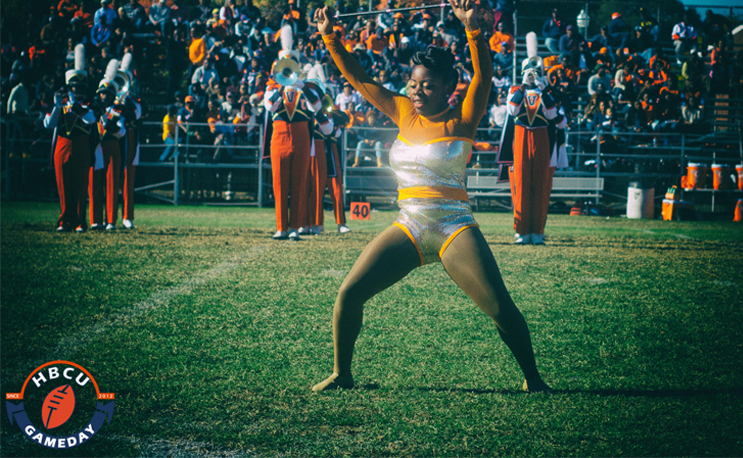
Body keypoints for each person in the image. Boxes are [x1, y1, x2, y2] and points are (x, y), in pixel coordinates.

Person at [311, 0, 551, 393]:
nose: (417, 91)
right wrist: (330, 37)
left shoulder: (463, 117)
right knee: (349, 293)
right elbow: (358, 79)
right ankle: (343, 374)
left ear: (446, 89)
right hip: (409, 224)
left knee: (499, 307)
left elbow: (483, 77)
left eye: (427, 85)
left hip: (454, 225)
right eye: (413, 83)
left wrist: (474, 31)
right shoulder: (403, 111)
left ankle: (533, 379)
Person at [502, 50, 557, 245]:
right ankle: (522, 231)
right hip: (521, 135)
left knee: (541, 184)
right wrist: (524, 86)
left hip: (542, 136)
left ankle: (538, 231)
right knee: (521, 183)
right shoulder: (515, 90)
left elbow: (552, 116)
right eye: (529, 72)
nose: (533, 75)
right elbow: (512, 110)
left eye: (536, 72)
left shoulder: (547, 92)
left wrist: (543, 90)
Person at [44, 63, 96, 233]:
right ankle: (65, 220)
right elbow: (48, 124)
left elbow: (91, 119)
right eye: (73, 87)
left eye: (80, 87)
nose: (77, 91)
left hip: (81, 146)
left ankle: (80, 221)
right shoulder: (61, 104)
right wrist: (57, 106)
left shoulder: (88, 104)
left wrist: (75, 106)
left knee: (81, 185)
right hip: (62, 146)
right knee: (63, 185)